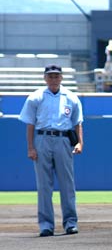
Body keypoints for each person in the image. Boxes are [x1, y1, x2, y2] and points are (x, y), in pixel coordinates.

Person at [18, 64, 84, 237]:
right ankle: (46, 225)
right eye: (50, 76)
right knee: (44, 185)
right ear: (45, 78)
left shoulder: (71, 97)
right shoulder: (35, 97)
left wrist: (80, 143)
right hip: (42, 139)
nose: (53, 79)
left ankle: (70, 222)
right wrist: (31, 147)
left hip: (63, 140)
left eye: (56, 76)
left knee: (67, 184)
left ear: (61, 77)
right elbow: (30, 124)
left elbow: (77, 123)